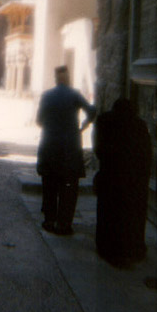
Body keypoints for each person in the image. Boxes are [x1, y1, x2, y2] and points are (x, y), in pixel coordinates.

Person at [36, 65, 96, 235]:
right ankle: (64, 224)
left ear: (56, 78)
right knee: (68, 187)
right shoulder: (75, 94)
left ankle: (49, 220)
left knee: (49, 184)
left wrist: (51, 127)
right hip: (70, 147)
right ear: (68, 78)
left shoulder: (46, 95)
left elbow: (39, 120)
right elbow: (92, 111)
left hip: (49, 146)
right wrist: (82, 127)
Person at [93, 98, 151, 267]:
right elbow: (146, 155)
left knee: (108, 214)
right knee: (130, 216)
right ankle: (131, 249)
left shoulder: (104, 121)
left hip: (110, 176)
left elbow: (99, 149)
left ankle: (107, 248)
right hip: (133, 180)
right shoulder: (139, 125)